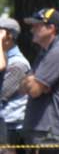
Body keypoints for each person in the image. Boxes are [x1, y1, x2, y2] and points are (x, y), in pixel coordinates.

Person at [18, 8, 59, 154]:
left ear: (51, 28)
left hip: (49, 130)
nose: (31, 30)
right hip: (40, 127)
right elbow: (23, 87)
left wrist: (33, 81)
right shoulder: (45, 52)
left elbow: (34, 90)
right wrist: (32, 81)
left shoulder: (58, 52)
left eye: (36, 25)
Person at [1, 16, 29, 145]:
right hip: (5, 124)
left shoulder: (18, 63)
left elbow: (2, 94)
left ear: (9, 36)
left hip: (12, 126)